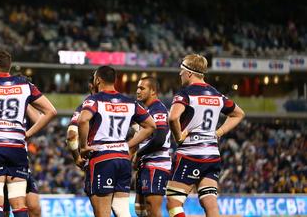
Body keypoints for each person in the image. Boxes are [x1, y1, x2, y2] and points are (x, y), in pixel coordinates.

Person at [0, 49, 57, 217]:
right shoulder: (25, 84)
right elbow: (51, 111)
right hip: (17, 147)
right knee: (19, 204)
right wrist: (27, 134)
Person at [166, 54, 245, 217]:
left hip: (190, 154)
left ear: (189, 73)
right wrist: (219, 132)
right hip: (211, 155)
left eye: (181, 71)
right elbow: (239, 114)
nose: (179, 74)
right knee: (210, 203)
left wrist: (178, 137)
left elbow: (173, 117)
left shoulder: (185, 93)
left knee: (174, 202)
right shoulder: (216, 94)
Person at [77, 66, 156, 217]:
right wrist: (128, 145)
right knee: (122, 211)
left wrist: (83, 147)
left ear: (98, 80)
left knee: (103, 213)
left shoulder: (94, 100)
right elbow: (151, 126)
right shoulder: (130, 102)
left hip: (102, 158)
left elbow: (83, 120)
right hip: (122, 159)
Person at [133, 77, 170, 217]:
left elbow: (159, 139)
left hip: (156, 163)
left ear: (153, 91)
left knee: (152, 209)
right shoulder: (147, 110)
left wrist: (139, 153)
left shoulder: (158, 109)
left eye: (142, 88)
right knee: (141, 210)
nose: (137, 91)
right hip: (147, 164)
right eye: (137, 87)